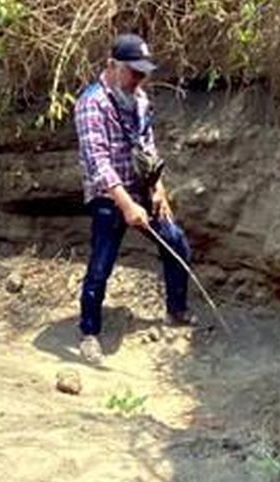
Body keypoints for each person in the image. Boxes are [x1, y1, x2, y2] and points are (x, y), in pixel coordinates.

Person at [73, 33, 194, 364]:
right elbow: (98, 164)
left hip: (141, 188)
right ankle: (89, 333)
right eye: (133, 72)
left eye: (143, 74)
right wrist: (126, 205)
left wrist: (158, 189)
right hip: (108, 197)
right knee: (101, 264)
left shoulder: (138, 101)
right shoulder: (91, 104)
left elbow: (148, 149)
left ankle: (176, 311)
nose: (139, 79)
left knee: (175, 242)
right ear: (112, 66)